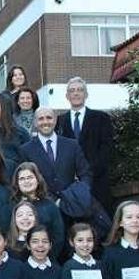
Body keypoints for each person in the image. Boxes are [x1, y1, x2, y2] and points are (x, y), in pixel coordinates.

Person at [56, 77, 114, 211]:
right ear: (67, 96)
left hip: (97, 182)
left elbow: (107, 149)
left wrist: (87, 172)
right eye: (72, 91)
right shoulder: (59, 122)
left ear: (86, 94)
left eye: (80, 90)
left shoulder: (101, 118)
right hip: (69, 186)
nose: (76, 93)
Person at [20, 107, 92, 202]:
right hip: (41, 206)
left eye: (49, 118)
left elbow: (85, 174)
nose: (45, 122)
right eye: (41, 119)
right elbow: (24, 179)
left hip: (71, 205)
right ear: (35, 122)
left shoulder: (72, 145)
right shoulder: (26, 149)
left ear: (55, 120)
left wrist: (79, 195)